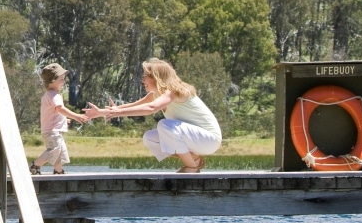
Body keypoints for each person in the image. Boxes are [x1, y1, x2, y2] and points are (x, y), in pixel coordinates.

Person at [85, 58, 221, 173]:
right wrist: (101, 112)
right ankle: (194, 160)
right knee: (149, 138)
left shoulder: (174, 91)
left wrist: (118, 112)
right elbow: (132, 106)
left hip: (209, 140)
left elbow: (151, 108)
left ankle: (191, 168)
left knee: (164, 125)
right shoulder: (156, 93)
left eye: (145, 76)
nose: (142, 80)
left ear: (156, 77)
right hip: (196, 139)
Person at [30, 63, 88, 175]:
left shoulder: (48, 95)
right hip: (52, 131)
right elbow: (60, 109)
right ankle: (35, 165)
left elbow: (53, 113)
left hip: (51, 130)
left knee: (60, 151)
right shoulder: (54, 96)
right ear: (53, 80)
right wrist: (77, 116)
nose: (64, 82)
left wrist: (64, 120)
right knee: (54, 150)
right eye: (61, 79)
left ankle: (58, 171)